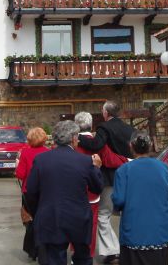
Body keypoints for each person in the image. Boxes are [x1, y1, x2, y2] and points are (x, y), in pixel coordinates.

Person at [26, 120, 103, 265]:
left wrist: (38, 211)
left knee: (53, 259)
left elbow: (30, 191)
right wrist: (97, 168)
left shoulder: (41, 160)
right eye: (77, 138)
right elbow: (97, 188)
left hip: (50, 216)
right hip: (78, 218)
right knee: (83, 259)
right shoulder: (85, 161)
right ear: (73, 138)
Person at [78, 100, 134, 264]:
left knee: (103, 215)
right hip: (126, 175)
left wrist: (78, 137)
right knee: (126, 214)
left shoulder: (104, 128)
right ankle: (128, 249)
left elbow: (97, 145)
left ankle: (112, 251)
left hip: (108, 178)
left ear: (105, 113)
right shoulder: (130, 129)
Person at [112, 131, 168, 265]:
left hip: (134, 234)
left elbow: (118, 200)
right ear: (150, 146)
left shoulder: (124, 170)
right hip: (160, 233)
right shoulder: (164, 168)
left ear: (131, 146)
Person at [15, 127, 50, 261]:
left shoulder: (25, 152)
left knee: (30, 221)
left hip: (28, 192)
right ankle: (43, 249)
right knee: (44, 221)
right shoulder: (48, 152)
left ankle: (32, 250)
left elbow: (20, 174)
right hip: (45, 191)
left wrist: (17, 165)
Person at [73, 111, 101, 259]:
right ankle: (88, 254)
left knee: (74, 223)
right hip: (92, 190)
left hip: (74, 190)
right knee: (92, 224)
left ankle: (75, 253)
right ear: (91, 124)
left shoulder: (72, 144)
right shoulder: (98, 142)